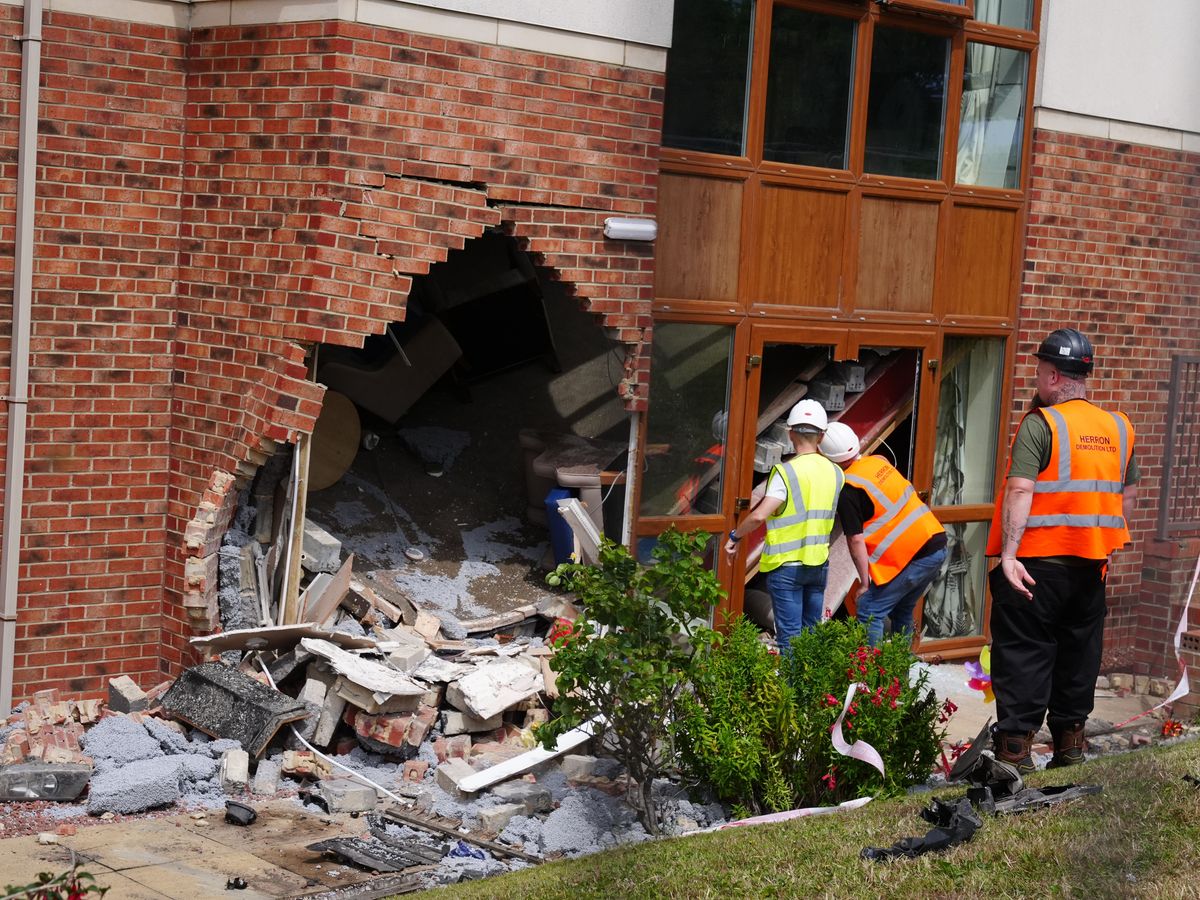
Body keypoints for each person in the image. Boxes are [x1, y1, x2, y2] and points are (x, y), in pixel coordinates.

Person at [985, 328, 1137, 773]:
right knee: (1078, 655)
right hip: (1092, 566)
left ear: (1051, 375)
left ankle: (1015, 755)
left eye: (1038, 370)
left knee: (1024, 654)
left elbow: (1020, 489)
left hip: (1035, 565)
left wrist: (1009, 556)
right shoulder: (1119, 426)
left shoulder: (1042, 423)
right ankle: (1070, 749)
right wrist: (1105, 544)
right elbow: (1127, 498)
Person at [724, 400, 844, 653]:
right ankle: (810, 689)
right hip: (818, 564)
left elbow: (759, 517)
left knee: (790, 637)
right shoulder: (836, 473)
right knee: (811, 634)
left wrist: (735, 536)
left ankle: (792, 690)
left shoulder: (786, 473)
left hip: (786, 567)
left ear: (790, 433)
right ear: (821, 436)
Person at [819, 421, 947, 647]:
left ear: (827, 458)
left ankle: (870, 676)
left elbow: (855, 539)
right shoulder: (879, 462)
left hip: (913, 556)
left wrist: (865, 583)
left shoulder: (848, 490)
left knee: (869, 609)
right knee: (903, 609)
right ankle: (897, 675)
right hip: (935, 544)